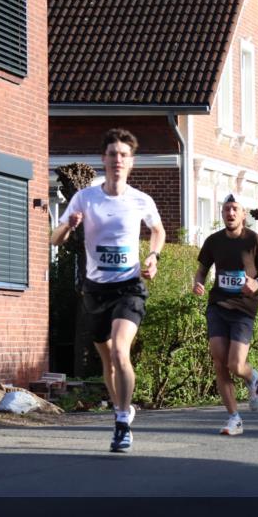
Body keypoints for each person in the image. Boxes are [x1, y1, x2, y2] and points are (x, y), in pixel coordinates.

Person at [51, 128, 166, 453]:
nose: (118, 160)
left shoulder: (140, 199)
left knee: (119, 349)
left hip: (128, 286)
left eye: (124, 155)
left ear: (131, 163)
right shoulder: (85, 198)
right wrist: (68, 226)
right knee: (108, 362)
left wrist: (153, 255)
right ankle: (122, 408)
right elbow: (54, 239)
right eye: (113, 154)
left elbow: (157, 230)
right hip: (95, 289)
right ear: (103, 159)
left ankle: (120, 422)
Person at [193, 194, 258, 434]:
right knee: (220, 363)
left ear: (243, 214)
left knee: (236, 364)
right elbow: (201, 271)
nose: (230, 213)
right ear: (223, 214)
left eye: (235, 209)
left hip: (244, 308)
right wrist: (198, 284)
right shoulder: (213, 241)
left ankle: (252, 379)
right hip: (218, 305)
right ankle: (234, 418)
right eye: (226, 209)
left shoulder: (254, 241)